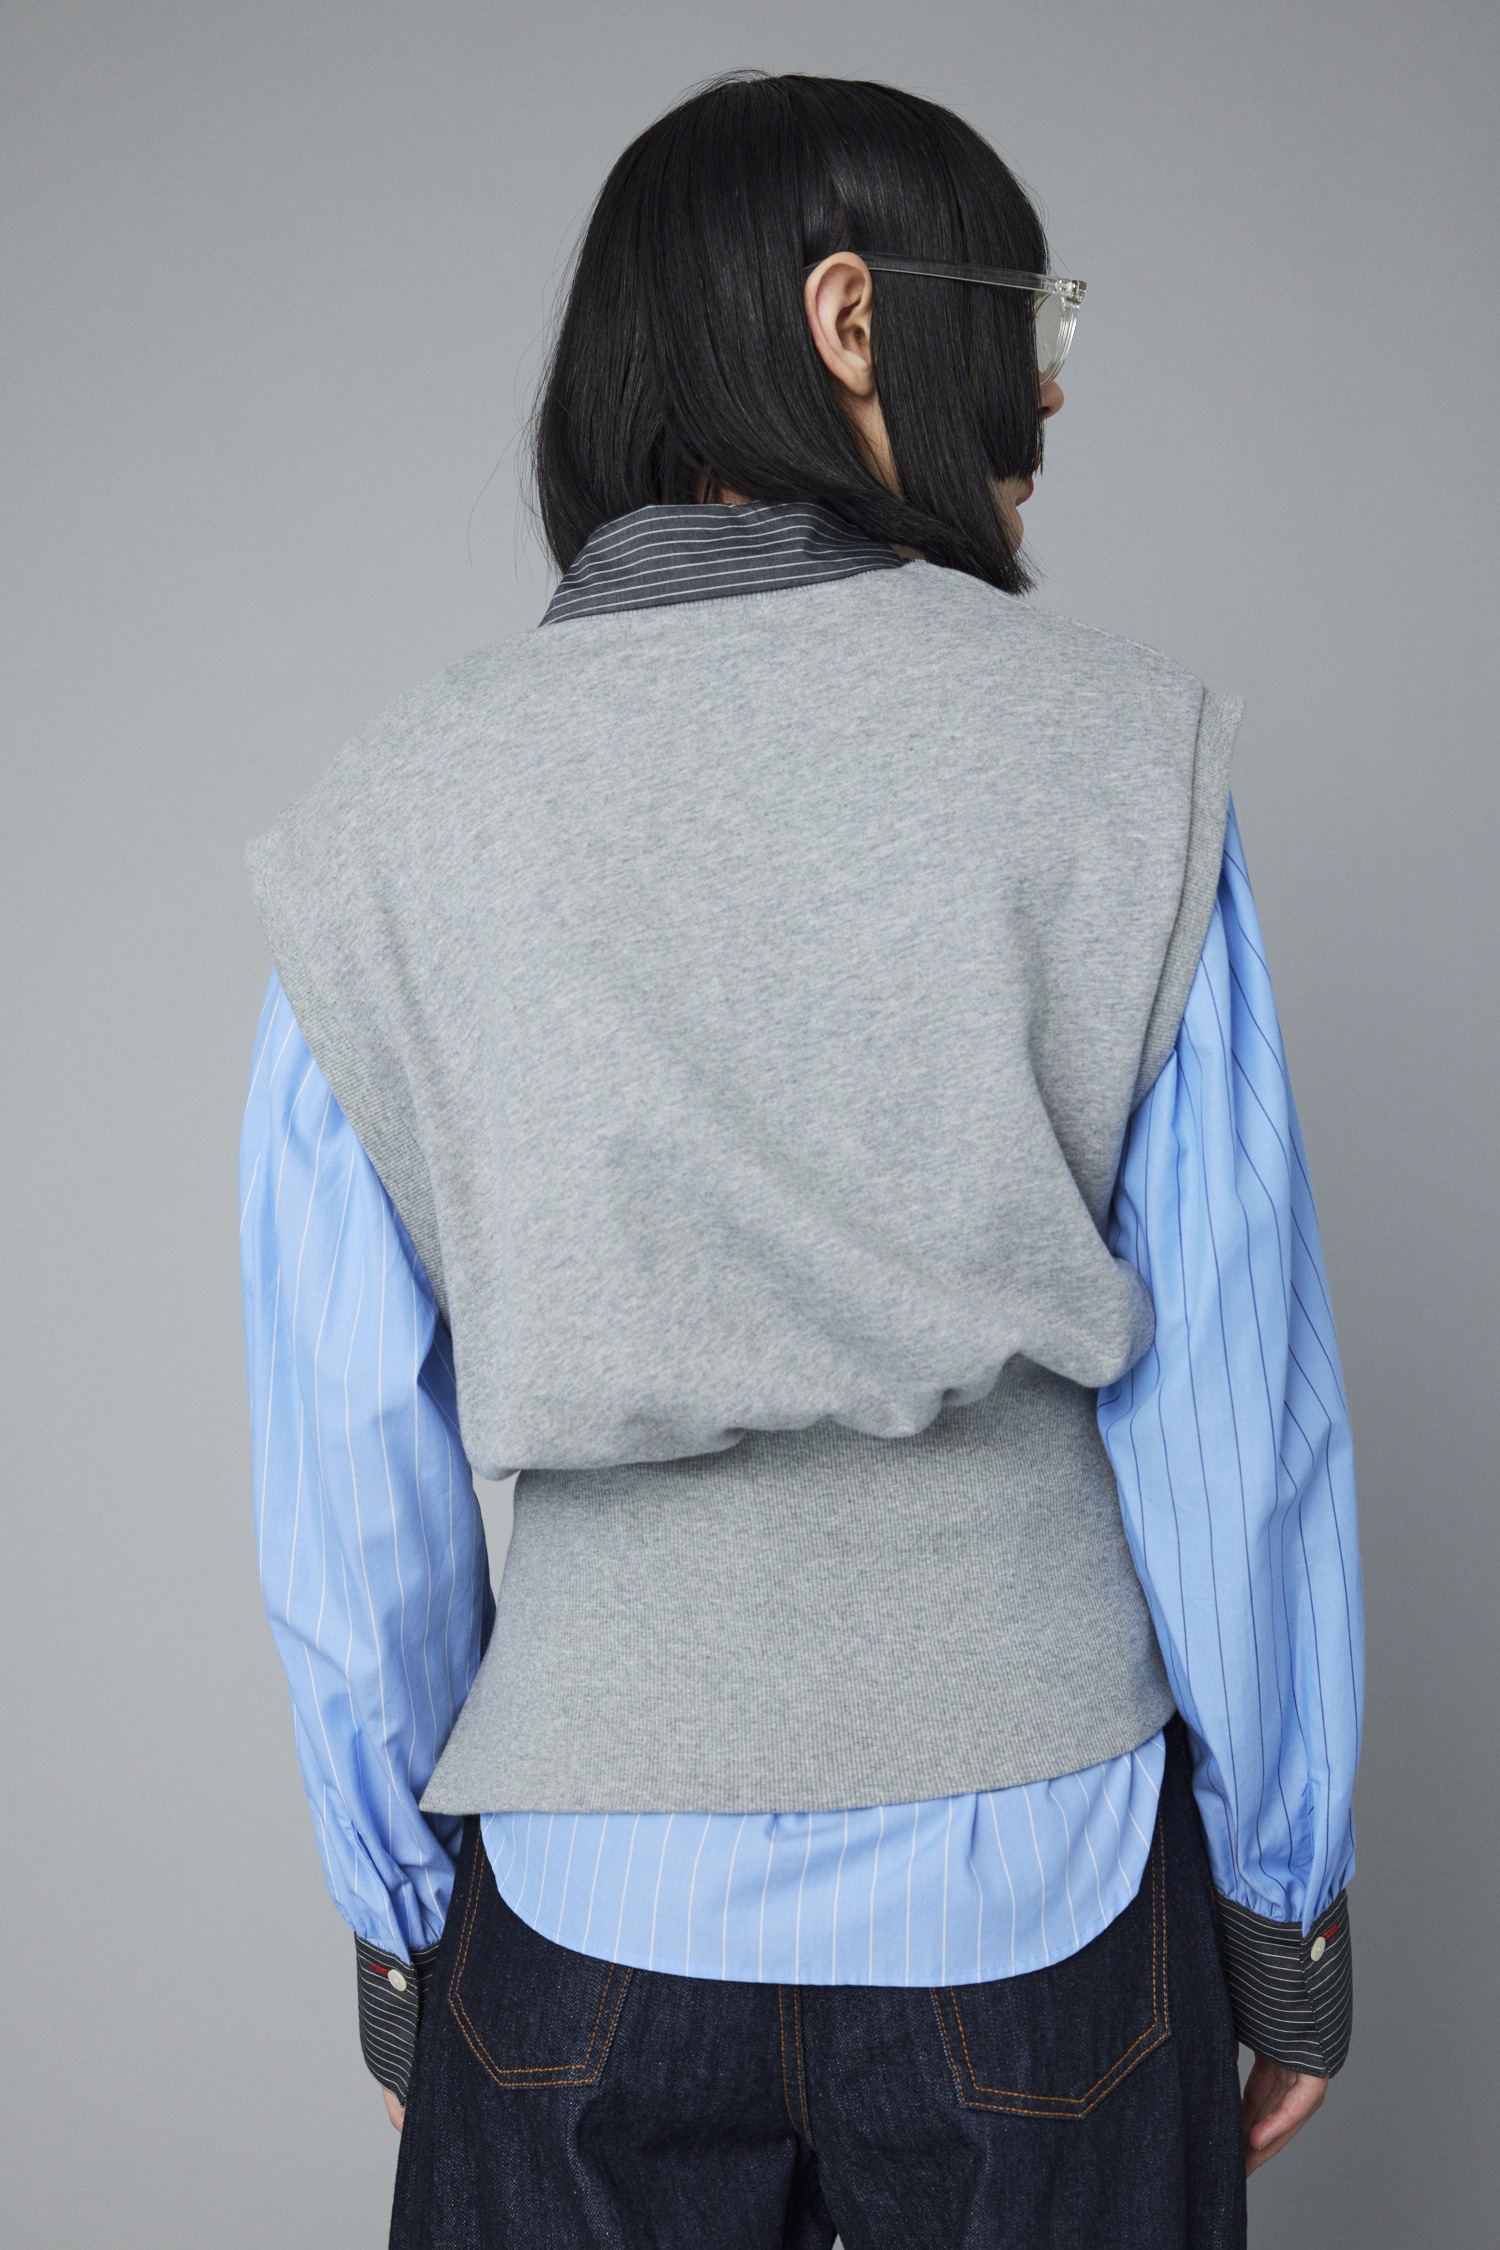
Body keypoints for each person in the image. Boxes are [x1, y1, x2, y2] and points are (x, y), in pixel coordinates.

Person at [239, 71, 1362, 2250]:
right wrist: (1285, 1902)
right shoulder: (1121, 762)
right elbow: (1238, 1424)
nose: (1048, 388)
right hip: (1044, 1892)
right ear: (854, 320)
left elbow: (347, 1470)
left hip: (574, 1899)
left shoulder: (384, 822)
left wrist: (395, 1924)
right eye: (1023, 318)